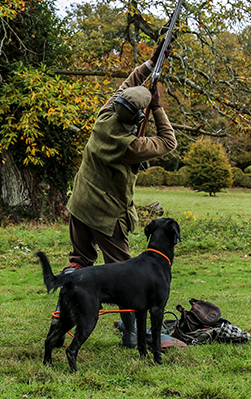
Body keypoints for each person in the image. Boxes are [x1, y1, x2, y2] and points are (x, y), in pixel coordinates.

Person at [57, 41, 178, 347]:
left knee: (79, 262)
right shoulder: (131, 146)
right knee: (128, 275)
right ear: (138, 119)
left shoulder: (105, 115)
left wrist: (151, 64)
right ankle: (133, 333)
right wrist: (159, 107)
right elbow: (168, 141)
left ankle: (59, 322)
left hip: (79, 205)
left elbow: (127, 86)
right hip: (106, 215)